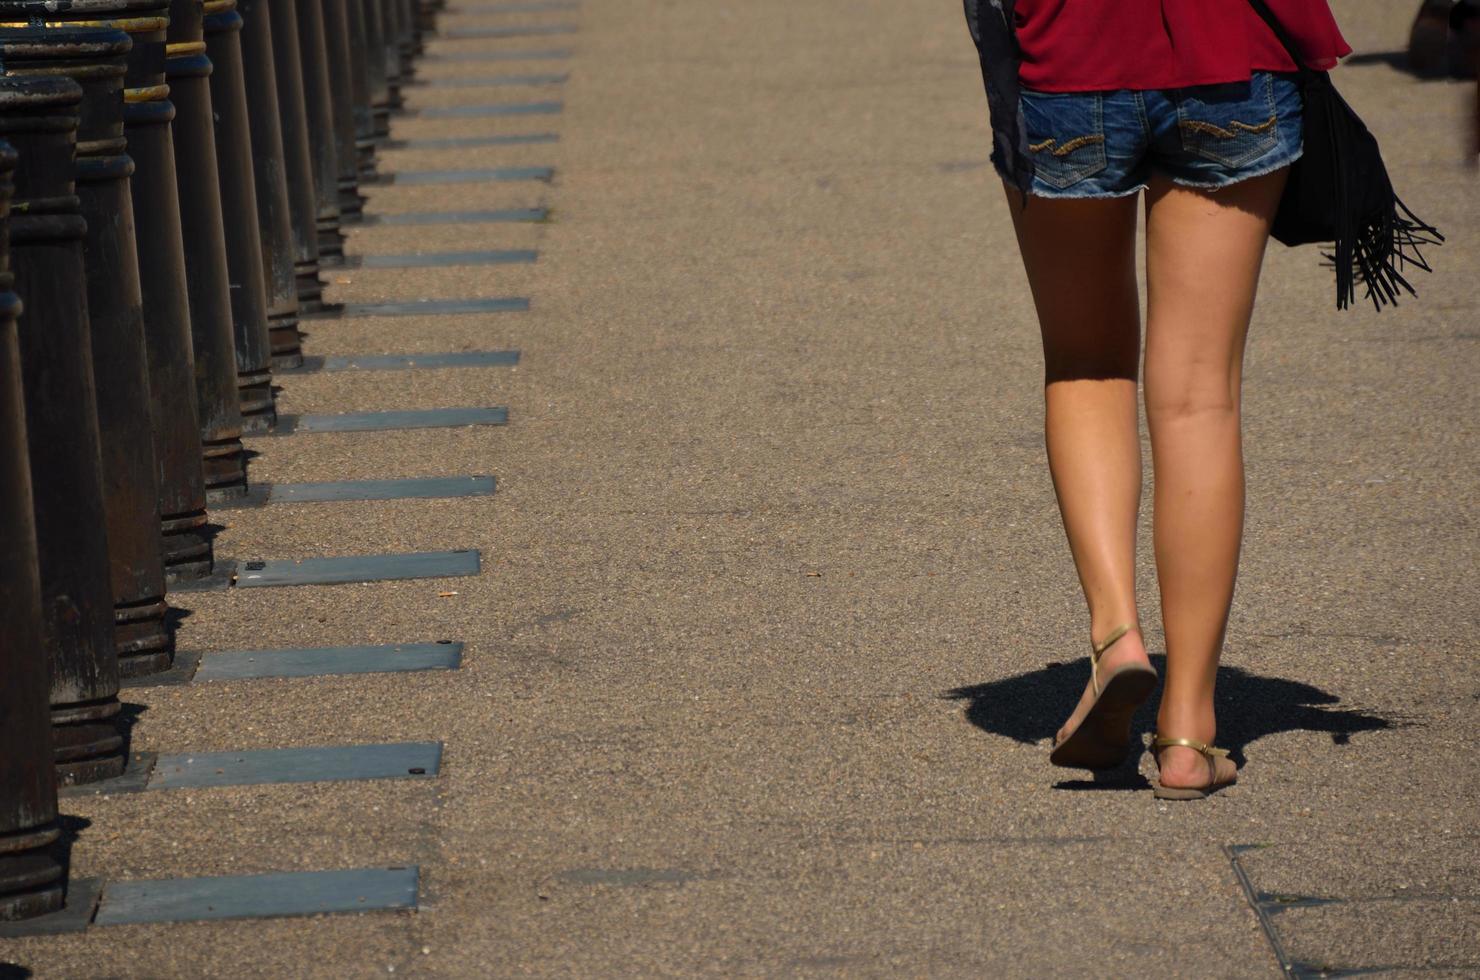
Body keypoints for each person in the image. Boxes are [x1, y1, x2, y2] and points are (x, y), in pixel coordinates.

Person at [962, 0, 1350, 799]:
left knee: (1085, 364)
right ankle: (1187, 731)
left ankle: (1116, 637)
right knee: (1200, 397)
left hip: (1065, 57)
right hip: (1232, 53)